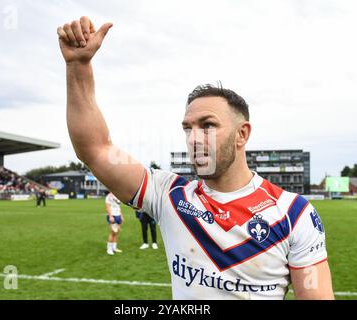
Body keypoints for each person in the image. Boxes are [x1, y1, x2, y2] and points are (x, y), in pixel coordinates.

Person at [57, 16, 334, 300]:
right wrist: (78, 66)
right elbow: (96, 149)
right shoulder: (167, 194)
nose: (194, 138)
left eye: (208, 126)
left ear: (242, 134)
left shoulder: (294, 214)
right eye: (188, 128)